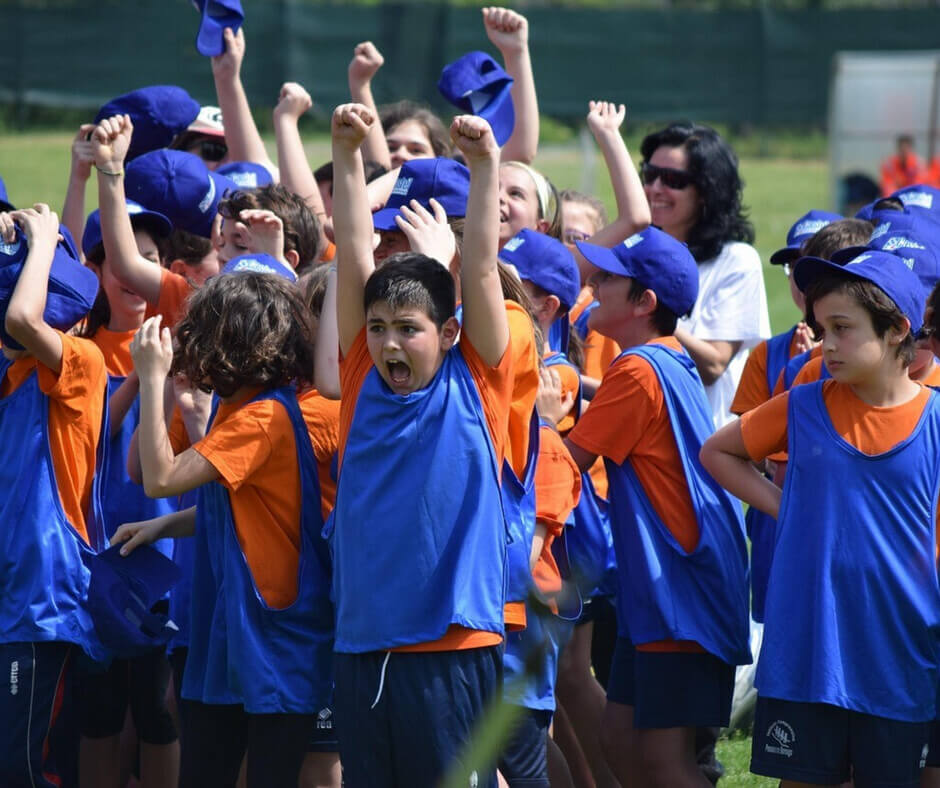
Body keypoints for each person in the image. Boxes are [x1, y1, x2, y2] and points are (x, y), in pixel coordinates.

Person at [701, 250, 940, 787]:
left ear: (899, 330)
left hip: (900, 656)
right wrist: (789, 509)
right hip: (811, 652)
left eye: (842, 328)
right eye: (820, 327)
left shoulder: (936, 421)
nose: (825, 343)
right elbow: (718, 452)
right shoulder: (804, 404)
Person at [326, 102, 512, 787]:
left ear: (450, 334)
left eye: (408, 328)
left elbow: (484, 270)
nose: (388, 342)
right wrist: (348, 159)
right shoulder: (359, 375)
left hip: (450, 647)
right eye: (378, 327)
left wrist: (486, 166)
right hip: (362, 645)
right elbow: (351, 251)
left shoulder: (477, 384)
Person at [113, 271, 334, 788]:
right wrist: (163, 525)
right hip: (232, 635)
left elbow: (163, 477)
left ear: (232, 342)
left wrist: (150, 378)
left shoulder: (262, 418)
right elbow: (220, 503)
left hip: (275, 640)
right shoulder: (240, 408)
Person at [563, 227, 751, 787]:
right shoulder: (662, 359)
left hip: (679, 597)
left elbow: (566, 460)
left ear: (644, 303)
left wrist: (540, 413)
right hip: (663, 593)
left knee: (662, 761)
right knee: (620, 739)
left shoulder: (637, 370)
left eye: (608, 279)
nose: (592, 282)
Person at [76, 191, 181, 788]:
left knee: (159, 711)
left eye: (148, 259)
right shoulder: (82, 349)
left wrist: (161, 373)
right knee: (99, 714)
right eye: (120, 261)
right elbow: (94, 435)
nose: (134, 275)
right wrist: (141, 377)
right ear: (94, 270)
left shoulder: (180, 342)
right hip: (99, 554)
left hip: (163, 553)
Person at [0, 204, 107, 788]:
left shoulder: (82, 365)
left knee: (22, 765)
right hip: (11, 599)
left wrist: (42, 238)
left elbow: (21, 318)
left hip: (43, 605)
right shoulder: (8, 370)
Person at [640, 122, 770, 427]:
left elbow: (714, 363)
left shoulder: (736, 260)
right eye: (650, 175)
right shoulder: (637, 250)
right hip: (643, 440)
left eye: (672, 179)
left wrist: (650, 307)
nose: (656, 188)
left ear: (706, 191)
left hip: (705, 445)